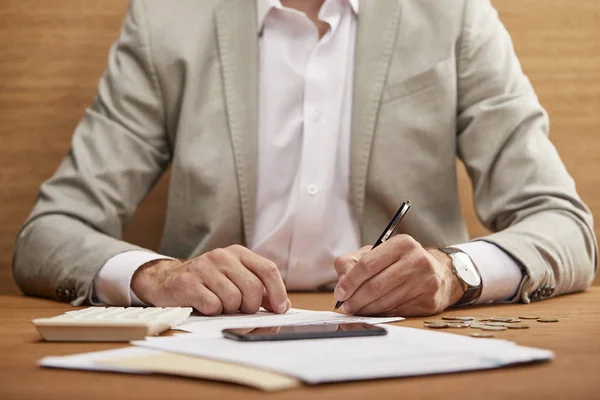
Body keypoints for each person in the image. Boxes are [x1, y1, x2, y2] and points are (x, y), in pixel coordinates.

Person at [13, 0, 597, 317]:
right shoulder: (165, 19)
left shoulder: (455, 14)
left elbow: (566, 226)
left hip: (412, 347)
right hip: (212, 352)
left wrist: (454, 273)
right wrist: (160, 277)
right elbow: (48, 235)